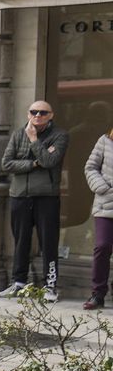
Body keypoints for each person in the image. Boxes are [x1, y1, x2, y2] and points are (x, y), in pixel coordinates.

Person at [0, 100, 70, 302]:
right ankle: (18, 282)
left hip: (46, 197)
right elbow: (6, 163)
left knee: (49, 242)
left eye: (43, 112)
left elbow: (50, 162)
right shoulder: (17, 134)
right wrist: (34, 163)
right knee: (21, 240)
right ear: (28, 114)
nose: (37, 115)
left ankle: (50, 285)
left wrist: (33, 140)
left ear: (51, 115)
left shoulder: (60, 135)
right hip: (19, 195)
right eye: (33, 112)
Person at [83, 124, 113, 309]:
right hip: (105, 204)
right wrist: (102, 187)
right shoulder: (105, 141)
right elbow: (90, 167)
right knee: (102, 246)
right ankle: (98, 294)